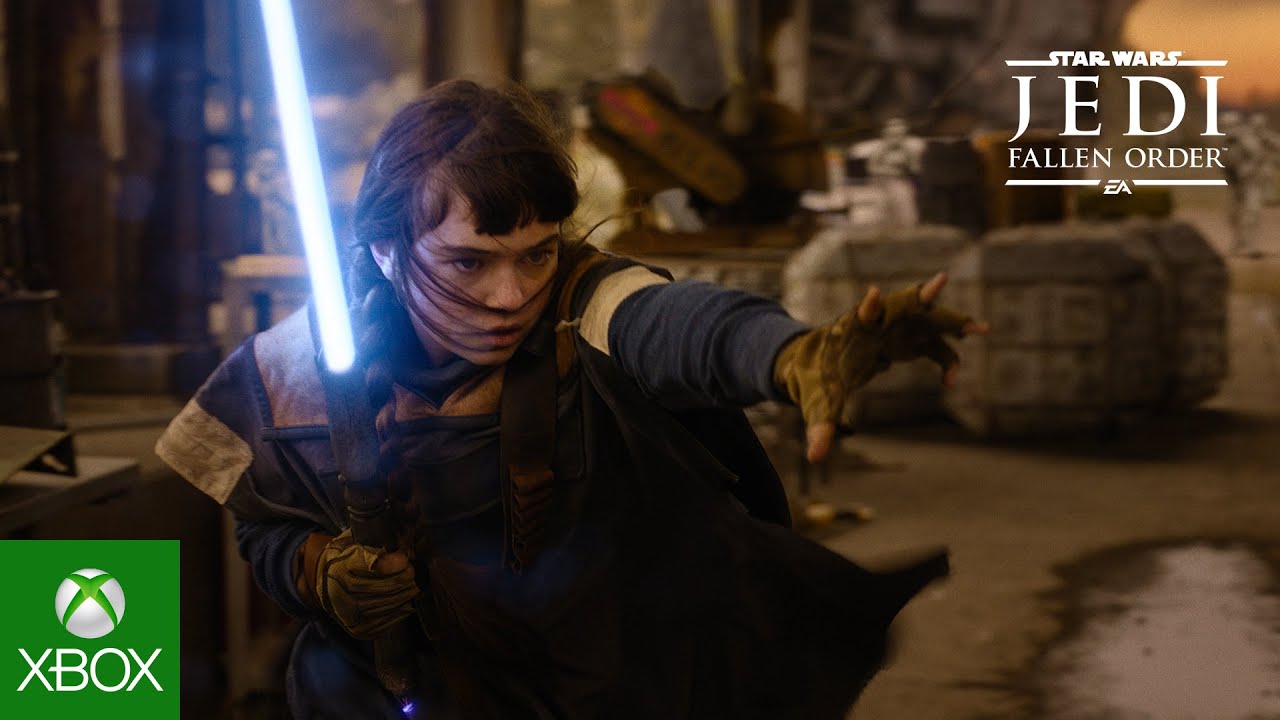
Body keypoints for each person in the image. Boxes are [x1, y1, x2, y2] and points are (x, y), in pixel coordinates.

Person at [156, 79, 985, 719]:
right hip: (397, 696)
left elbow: (681, 324)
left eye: (537, 252)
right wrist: (317, 569)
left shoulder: (587, 306)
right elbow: (265, 527)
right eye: (469, 262)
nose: (512, 294)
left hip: (601, 689)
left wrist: (788, 353)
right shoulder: (302, 364)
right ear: (384, 250)